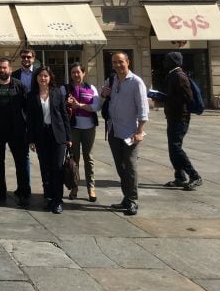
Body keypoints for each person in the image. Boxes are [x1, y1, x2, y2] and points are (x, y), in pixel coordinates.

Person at [100, 51, 149, 216]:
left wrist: (140, 131)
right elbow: (102, 93)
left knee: (130, 166)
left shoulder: (136, 82)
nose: (117, 65)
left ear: (128, 62)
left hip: (130, 131)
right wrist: (103, 93)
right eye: (114, 62)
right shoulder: (112, 80)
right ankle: (126, 198)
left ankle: (133, 200)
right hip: (114, 129)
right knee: (121, 167)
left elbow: (143, 108)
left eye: (120, 62)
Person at [27, 66, 72, 214]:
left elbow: (64, 115)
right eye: (40, 76)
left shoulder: (57, 93)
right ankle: (49, 198)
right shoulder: (32, 95)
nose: (43, 78)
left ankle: (58, 200)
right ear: (36, 78)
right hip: (41, 135)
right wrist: (31, 139)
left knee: (57, 168)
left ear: (50, 78)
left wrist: (68, 137)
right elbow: (31, 120)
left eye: (46, 76)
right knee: (45, 168)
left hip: (57, 135)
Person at [0, 57, 30, 207]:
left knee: (21, 163)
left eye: (5, 68)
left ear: (10, 69)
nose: (2, 70)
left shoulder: (20, 86)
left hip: (16, 131)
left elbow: (26, 107)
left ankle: (23, 192)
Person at [161, 51, 202, 191]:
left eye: (167, 60)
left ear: (173, 61)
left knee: (176, 148)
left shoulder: (179, 76)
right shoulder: (173, 75)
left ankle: (194, 176)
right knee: (173, 148)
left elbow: (187, 98)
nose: (164, 62)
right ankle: (180, 176)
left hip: (180, 117)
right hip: (173, 116)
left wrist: (166, 98)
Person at [61, 62, 100, 201]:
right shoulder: (65, 89)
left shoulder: (91, 88)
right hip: (73, 128)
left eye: (78, 72)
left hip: (89, 127)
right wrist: (67, 103)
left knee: (88, 158)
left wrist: (80, 106)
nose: (76, 75)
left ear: (83, 73)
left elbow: (96, 106)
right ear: (70, 75)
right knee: (74, 159)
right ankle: (74, 187)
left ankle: (91, 188)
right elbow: (60, 106)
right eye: (73, 72)